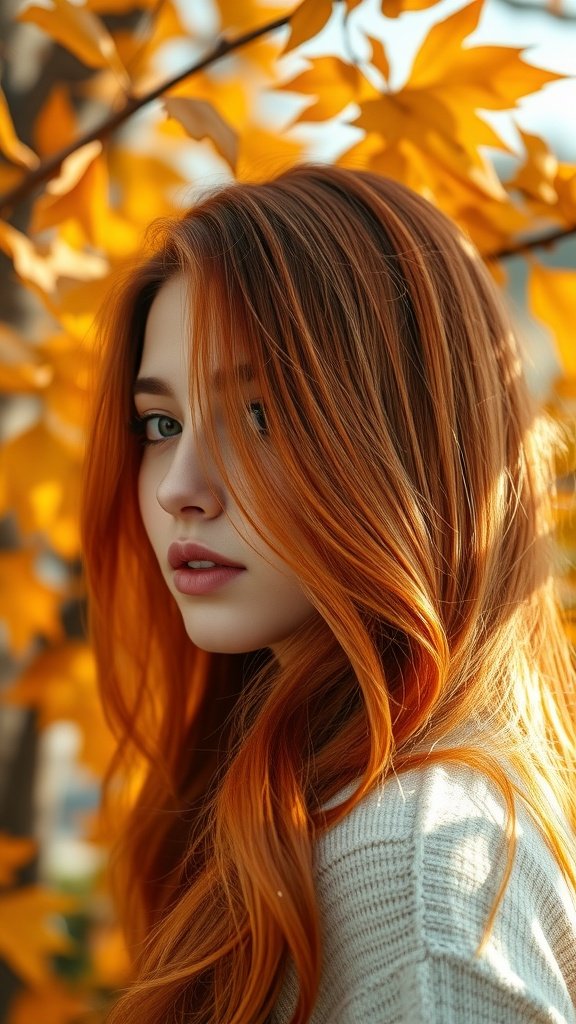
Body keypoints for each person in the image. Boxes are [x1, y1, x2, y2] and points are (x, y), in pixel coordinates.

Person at [81, 163, 576, 1024]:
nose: (177, 487)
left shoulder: (416, 870)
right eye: (163, 424)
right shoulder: (317, 812)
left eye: (263, 415)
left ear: (409, 440)